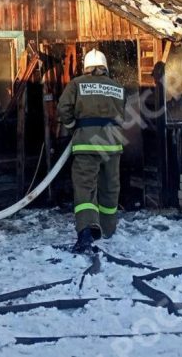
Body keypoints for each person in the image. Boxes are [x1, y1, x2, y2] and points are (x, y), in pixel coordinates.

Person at [57, 49, 126, 253]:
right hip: (112, 144)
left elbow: (63, 108)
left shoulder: (77, 84)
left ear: (86, 67)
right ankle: (108, 229)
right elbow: (122, 114)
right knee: (110, 187)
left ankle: (87, 231)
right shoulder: (117, 87)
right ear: (105, 67)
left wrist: (72, 126)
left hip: (86, 143)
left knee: (84, 186)